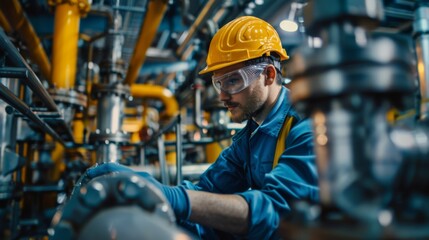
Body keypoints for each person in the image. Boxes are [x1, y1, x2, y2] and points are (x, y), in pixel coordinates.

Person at [86, 16, 319, 239]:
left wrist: (177, 199)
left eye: (233, 80)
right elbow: (209, 190)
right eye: (218, 83)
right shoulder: (249, 138)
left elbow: (279, 214)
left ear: (268, 75)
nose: (222, 96)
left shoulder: (309, 126)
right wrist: (148, 187)